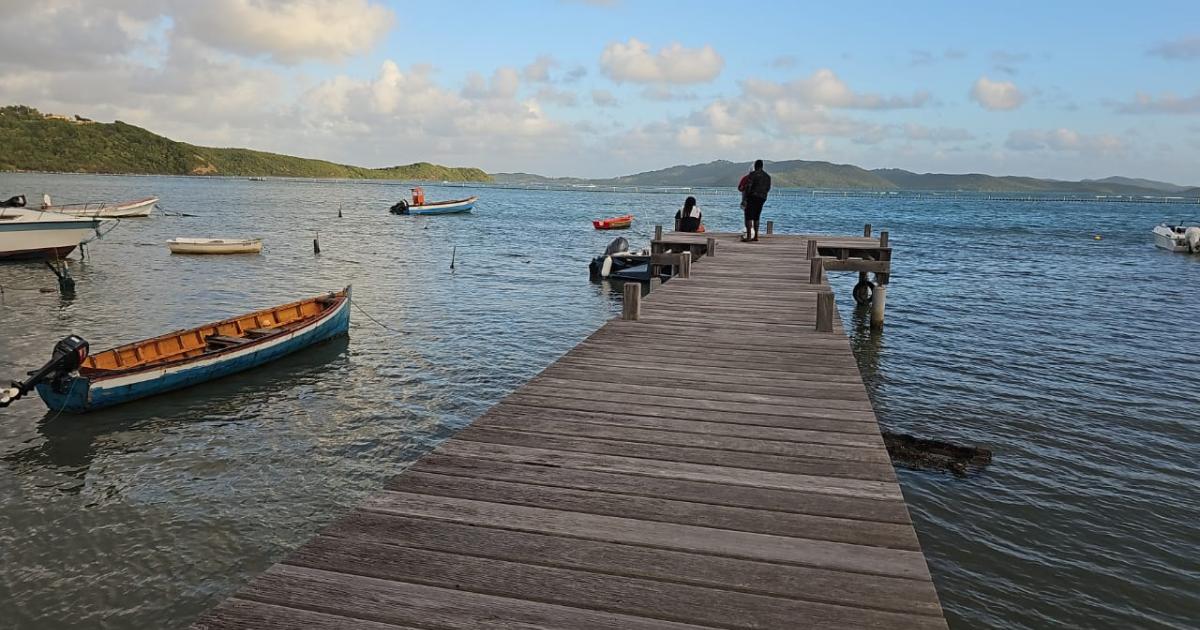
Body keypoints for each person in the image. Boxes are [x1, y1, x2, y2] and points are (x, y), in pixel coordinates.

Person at [738, 159, 770, 241]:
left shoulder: (752, 175)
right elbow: (768, 188)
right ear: (762, 166)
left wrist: (745, 198)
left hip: (752, 197)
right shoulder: (767, 176)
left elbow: (748, 187)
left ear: (755, 166)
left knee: (748, 217)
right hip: (762, 198)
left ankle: (749, 237)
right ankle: (756, 236)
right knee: (757, 217)